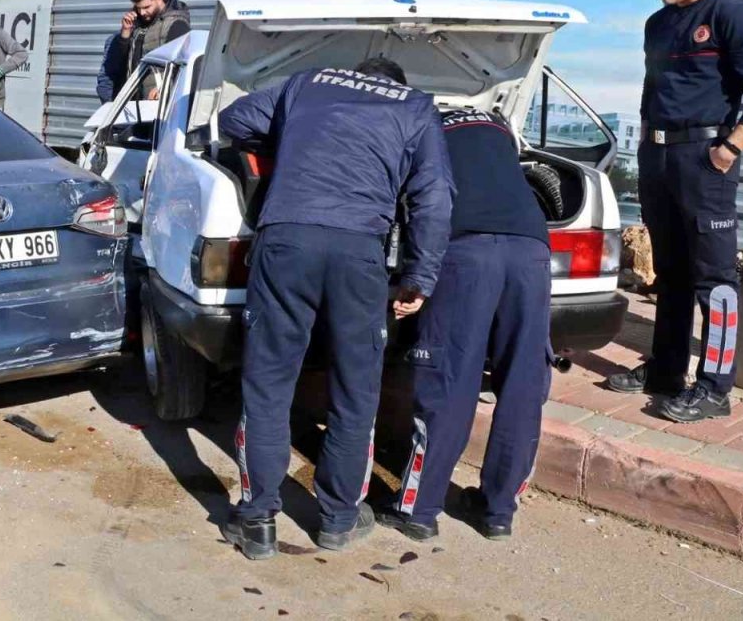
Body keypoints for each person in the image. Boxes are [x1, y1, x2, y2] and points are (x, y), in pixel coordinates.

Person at [218, 58, 454, 561]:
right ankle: (338, 519)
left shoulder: (308, 81)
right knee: (355, 388)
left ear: (362, 70)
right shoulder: (415, 107)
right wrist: (418, 277)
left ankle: (257, 520)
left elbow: (234, 120)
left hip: (286, 240)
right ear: (396, 81)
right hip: (359, 253)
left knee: (268, 383)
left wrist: (289, 141)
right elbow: (434, 199)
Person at [377, 107, 552, 543]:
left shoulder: (416, 125)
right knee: (523, 380)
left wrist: (410, 279)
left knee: (449, 378)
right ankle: (498, 512)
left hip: (466, 249)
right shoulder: (495, 123)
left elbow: (419, 204)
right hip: (531, 248)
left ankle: (418, 510)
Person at [605, 0, 743, 423]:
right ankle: (665, 371)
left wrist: (731, 147)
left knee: (714, 279)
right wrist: (647, 143)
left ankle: (714, 387)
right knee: (670, 273)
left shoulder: (729, 17)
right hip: (658, 158)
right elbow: (653, 90)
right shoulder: (658, 24)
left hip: (705, 157)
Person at [96, 0, 190, 102]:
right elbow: (118, 65)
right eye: (138, 8)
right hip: (134, 106)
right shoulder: (136, 24)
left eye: (146, 7)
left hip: (160, 106)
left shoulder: (176, 24)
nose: (142, 12)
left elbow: (182, 66)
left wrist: (163, 90)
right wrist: (125, 34)